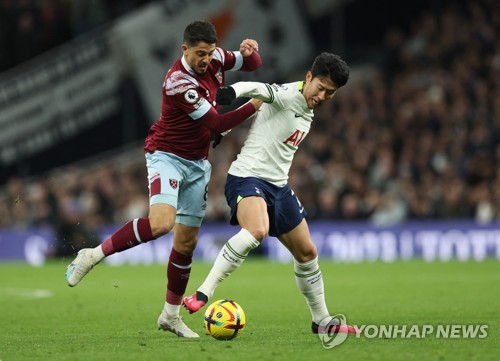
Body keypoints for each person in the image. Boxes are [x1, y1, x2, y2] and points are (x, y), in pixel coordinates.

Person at [65, 20, 262, 338]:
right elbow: (216, 121)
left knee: (186, 244)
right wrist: (254, 105)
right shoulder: (177, 82)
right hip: (167, 156)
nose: (206, 60)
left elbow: (250, 63)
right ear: (184, 48)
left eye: (210, 53)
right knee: (161, 224)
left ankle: (170, 316)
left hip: (198, 163)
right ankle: (91, 255)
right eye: (199, 53)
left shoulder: (216, 58)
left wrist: (251, 51)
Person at [183, 52, 358, 334]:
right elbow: (258, 90)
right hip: (246, 178)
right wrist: (229, 92)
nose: (323, 96)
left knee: (307, 252)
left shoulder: (308, 107)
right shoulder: (288, 93)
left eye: (331, 93)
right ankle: (204, 291)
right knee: (257, 230)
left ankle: (322, 322)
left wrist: (223, 132)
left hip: (277, 186)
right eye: (321, 88)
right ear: (309, 78)